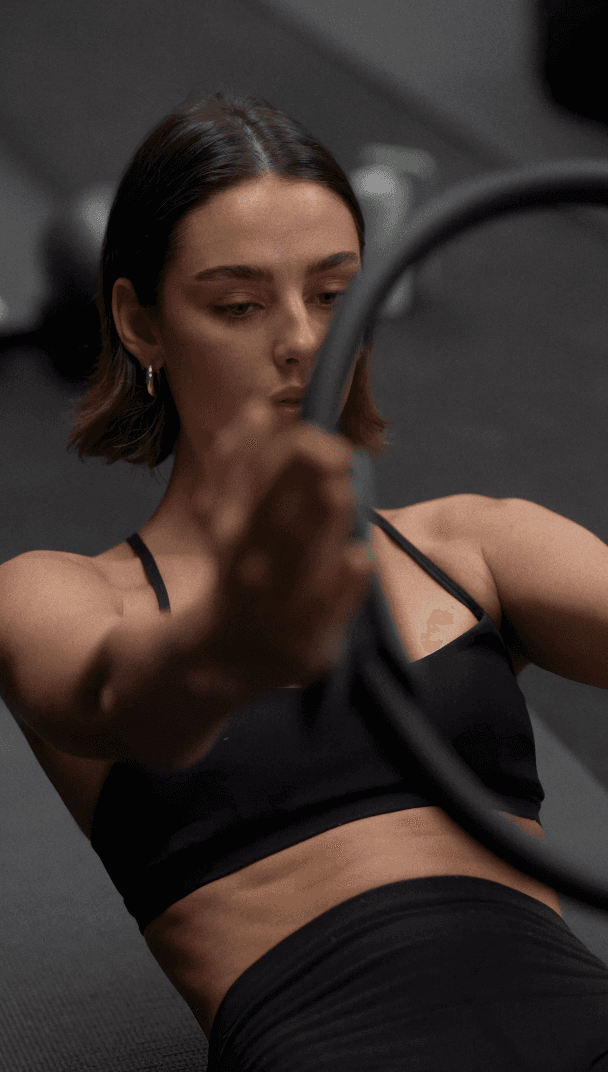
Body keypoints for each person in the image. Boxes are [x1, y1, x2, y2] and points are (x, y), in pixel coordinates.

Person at [2, 92, 608, 1071]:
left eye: (333, 294)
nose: (299, 340)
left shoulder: (474, 542)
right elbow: (131, 697)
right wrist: (238, 631)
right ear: (140, 322)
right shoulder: (57, 595)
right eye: (237, 304)